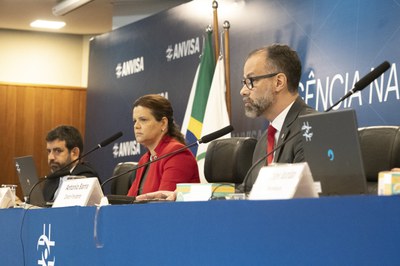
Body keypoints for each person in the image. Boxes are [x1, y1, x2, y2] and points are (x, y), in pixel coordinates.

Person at [135, 43, 316, 201]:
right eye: (244, 82)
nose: (243, 91)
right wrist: (182, 194)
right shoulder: (265, 140)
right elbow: (247, 191)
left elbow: (306, 197)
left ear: (279, 82)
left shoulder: (309, 128)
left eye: (250, 81)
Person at [126, 94, 200, 197]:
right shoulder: (145, 159)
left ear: (163, 123)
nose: (136, 126)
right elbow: (130, 200)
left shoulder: (177, 154)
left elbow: (163, 204)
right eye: (135, 121)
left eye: (143, 120)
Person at [42, 125, 99, 202]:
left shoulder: (86, 178)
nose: (51, 157)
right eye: (49, 151)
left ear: (74, 153)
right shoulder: (52, 179)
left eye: (58, 151)